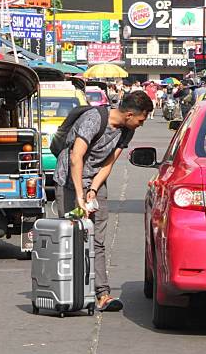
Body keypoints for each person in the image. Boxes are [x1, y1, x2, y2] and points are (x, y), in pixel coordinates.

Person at [54, 91, 154, 312]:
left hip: (95, 182)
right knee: (70, 237)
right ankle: (69, 293)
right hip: (69, 182)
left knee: (96, 239)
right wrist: (80, 194)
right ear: (129, 114)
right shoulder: (93, 120)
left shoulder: (127, 131)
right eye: (141, 119)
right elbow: (75, 157)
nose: (141, 124)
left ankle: (102, 294)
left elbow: (109, 162)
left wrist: (94, 189)